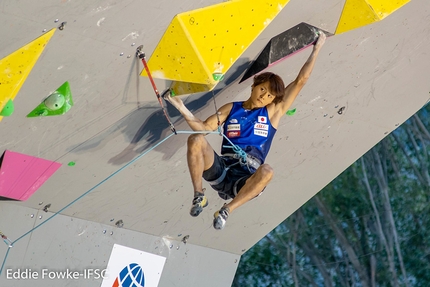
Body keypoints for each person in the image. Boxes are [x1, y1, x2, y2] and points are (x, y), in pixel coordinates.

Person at [165, 33, 326, 230]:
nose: (264, 96)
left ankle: (226, 210)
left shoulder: (273, 112)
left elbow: (301, 80)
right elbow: (205, 128)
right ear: (255, 85)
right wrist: (181, 108)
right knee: (196, 139)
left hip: (245, 179)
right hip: (222, 170)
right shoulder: (231, 109)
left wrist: (316, 50)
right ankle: (199, 195)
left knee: (268, 171)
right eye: (263, 89)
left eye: (269, 95)